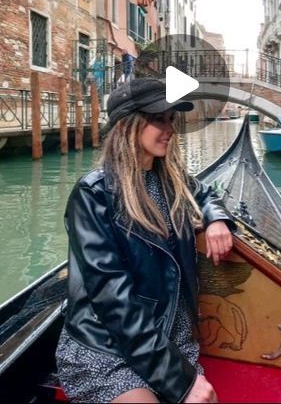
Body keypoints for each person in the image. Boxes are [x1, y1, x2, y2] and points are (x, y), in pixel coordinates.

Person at [55, 78, 236, 403]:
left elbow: (205, 193)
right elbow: (114, 300)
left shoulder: (171, 180)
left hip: (172, 335)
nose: (170, 129)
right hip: (106, 343)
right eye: (158, 119)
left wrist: (216, 219)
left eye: (171, 119)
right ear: (128, 124)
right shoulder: (94, 195)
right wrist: (180, 381)